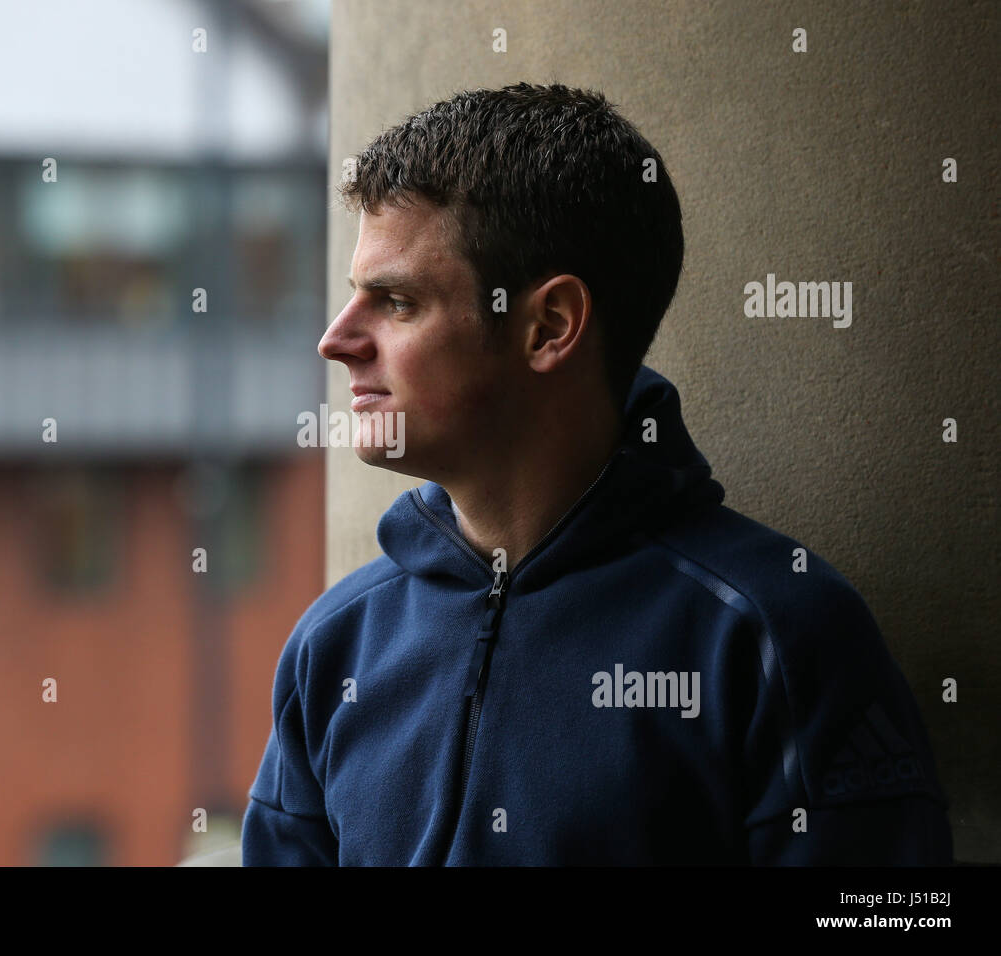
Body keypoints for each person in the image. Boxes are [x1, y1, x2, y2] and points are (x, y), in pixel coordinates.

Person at [241, 83, 953, 865]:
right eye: (355, 298)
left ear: (548, 326)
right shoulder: (335, 644)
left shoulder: (774, 638)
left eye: (398, 302)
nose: (336, 340)